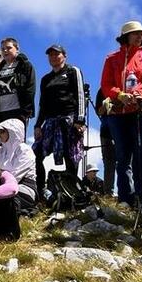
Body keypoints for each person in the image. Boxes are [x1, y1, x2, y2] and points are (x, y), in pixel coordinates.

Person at [100, 21, 142, 207]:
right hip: (118, 113)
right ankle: (125, 198)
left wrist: (138, 94)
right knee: (122, 156)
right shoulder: (112, 58)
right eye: (135, 33)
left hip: (140, 111)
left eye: (141, 34)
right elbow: (106, 84)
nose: (139, 36)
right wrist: (120, 95)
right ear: (126, 36)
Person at [33, 44, 86, 199]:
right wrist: (38, 125)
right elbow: (42, 104)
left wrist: (80, 120)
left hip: (70, 119)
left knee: (71, 156)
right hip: (50, 121)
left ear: (64, 56)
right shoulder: (45, 79)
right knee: (36, 154)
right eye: (50, 55)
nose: (53, 57)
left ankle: (72, 193)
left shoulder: (73, 71)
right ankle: (41, 191)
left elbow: (80, 95)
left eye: (57, 54)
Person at [0, 38, 36, 123]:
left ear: (17, 49)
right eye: (3, 49)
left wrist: (26, 111)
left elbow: (30, 88)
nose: (5, 51)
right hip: (0, 114)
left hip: (18, 112)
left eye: (9, 48)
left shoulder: (25, 65)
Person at [0, 118, 38, 214]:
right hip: (1, 187)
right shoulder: (1, 151)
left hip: (23, 188)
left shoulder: (24, 150)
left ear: (12, 132)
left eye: (2, 131)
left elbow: (15, 175)